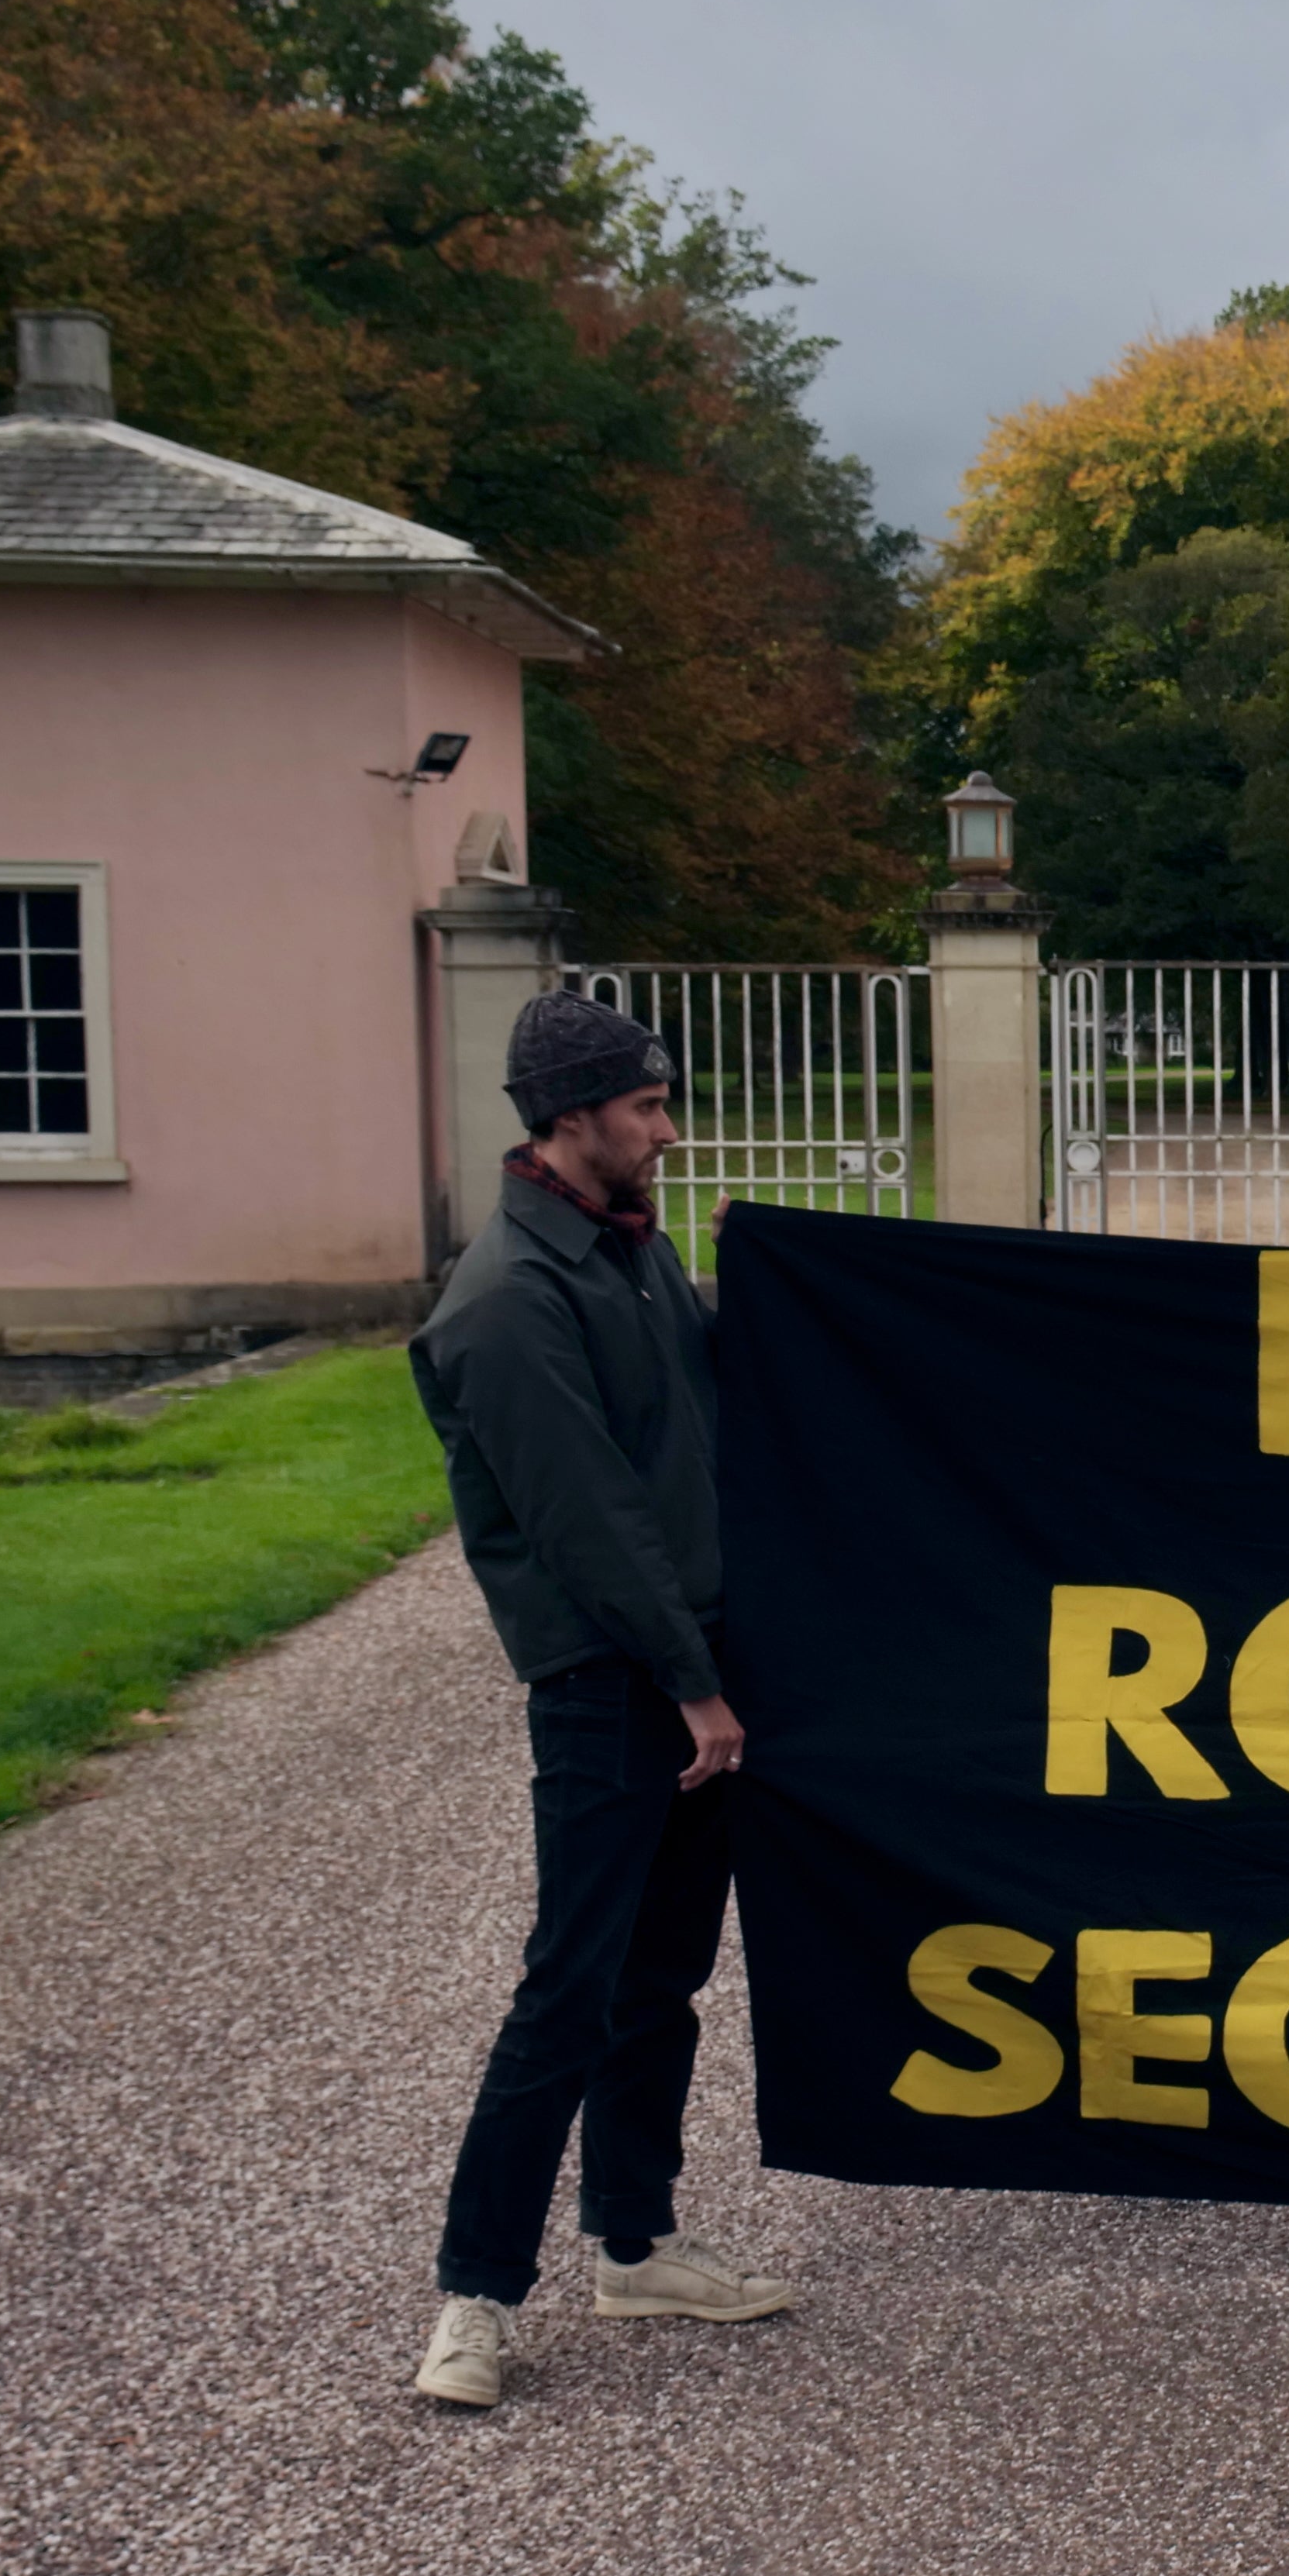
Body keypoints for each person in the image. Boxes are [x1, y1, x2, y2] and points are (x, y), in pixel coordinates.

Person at [405, 994, 791, 2411]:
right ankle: (473, 2296)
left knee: (663, 1978)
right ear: (570, 1117)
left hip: (696, 1669)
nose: (667, 1131)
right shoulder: (509, 1295)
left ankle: (633, 2241)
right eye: (646, 1108)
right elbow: (586, 1519)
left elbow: (694, 1393)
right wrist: (693, 1688)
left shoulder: (622, 1248)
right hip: (613, 1687)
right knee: (566, 1987)